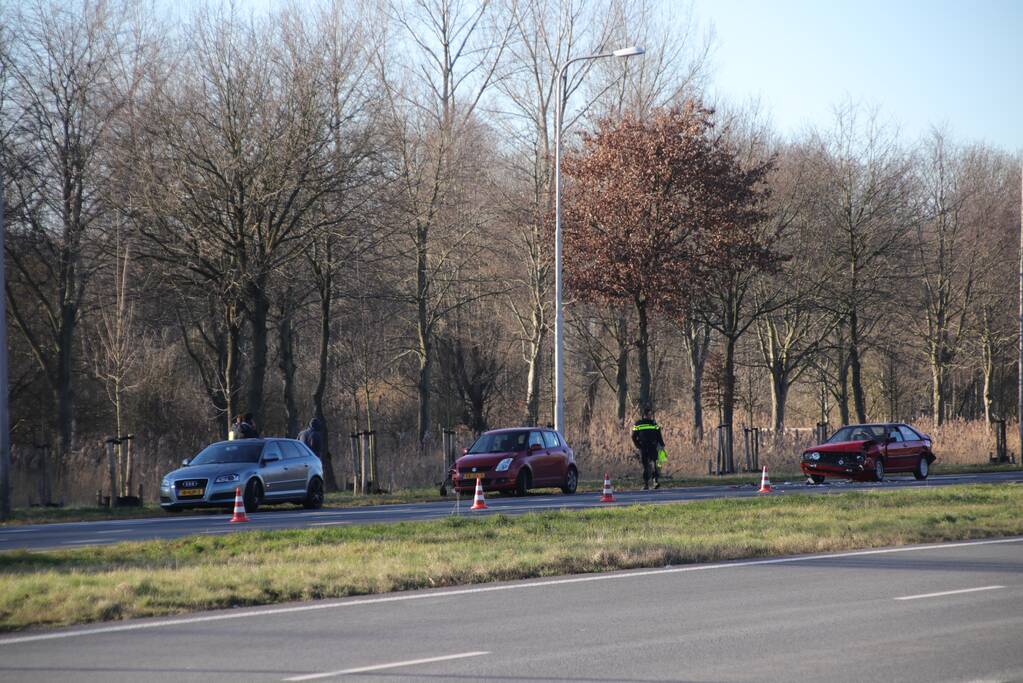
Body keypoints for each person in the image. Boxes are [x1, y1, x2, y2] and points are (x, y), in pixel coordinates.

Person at [631, 405, 664, 490]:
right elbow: (633, 436)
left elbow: (658, 434)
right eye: (649, 414)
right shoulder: (638, 424)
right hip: (643, 447)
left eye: (650, 414)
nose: (650, 416)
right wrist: (638, 445)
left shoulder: (653, 423)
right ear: (644, 415)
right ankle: (646, 484)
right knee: (645, 466)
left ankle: (655, 481)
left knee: (655, 464)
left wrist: (661, 445)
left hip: (653, 447)